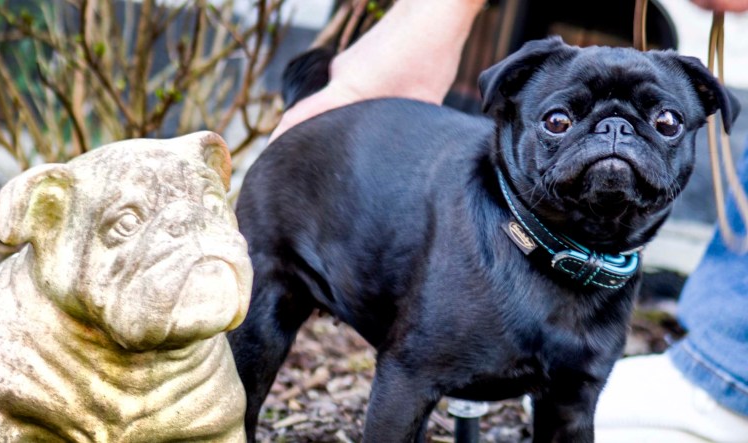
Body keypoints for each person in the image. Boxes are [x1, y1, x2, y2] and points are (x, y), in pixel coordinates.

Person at [269, 0, 748, 441]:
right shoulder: (465, 252)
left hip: (601, 275)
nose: (614, 136)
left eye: (662, 124)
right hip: (324, 216)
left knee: (573, 409)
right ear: (509, 104)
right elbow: (408, 377)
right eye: (560, 122)